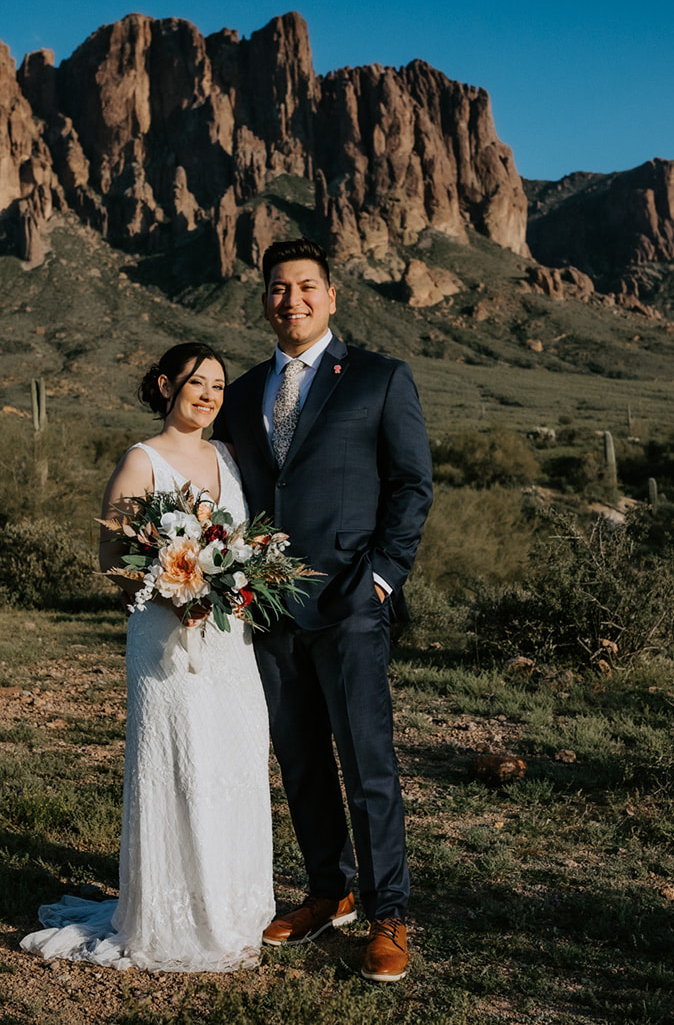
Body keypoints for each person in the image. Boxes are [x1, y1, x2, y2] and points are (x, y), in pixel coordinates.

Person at [212, 238, 434, 983]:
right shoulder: (241, 396)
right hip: (268, 612)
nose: (292, 300)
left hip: (350, 606)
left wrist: (381, 579)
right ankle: (327, 890)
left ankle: (389, 913)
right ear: (264, 299)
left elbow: (410, 487)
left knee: (367, 762)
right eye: (279, 288)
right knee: (300, 761)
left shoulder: (379, 379)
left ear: (333, 296)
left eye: (307, 286)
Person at [20, 342, 274, 971]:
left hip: (230, 640)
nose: (210, 395)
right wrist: (173, 585)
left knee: (235, 759)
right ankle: (170, 914)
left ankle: (233, 908)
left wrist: (234, 581)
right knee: (181, 763)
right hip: (165, 639)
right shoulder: (142, 462)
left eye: (219, 385)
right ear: (166, 386)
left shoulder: (229, 458)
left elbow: (242, 541)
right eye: (197, 383)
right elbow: (111, 560)